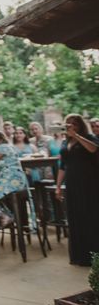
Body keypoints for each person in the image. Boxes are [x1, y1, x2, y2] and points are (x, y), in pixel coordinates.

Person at [55, 114, 99, 266]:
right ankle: (78, 255)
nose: (71, 126)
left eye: (74, 123)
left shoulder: (89, 137)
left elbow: (93, 149)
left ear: (80, 125)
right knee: (74, 216)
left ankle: (93, 256)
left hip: (89, 182)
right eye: (68, 123)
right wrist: (58, 186)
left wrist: (77, 136)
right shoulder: (65, 142)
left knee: (90, 216)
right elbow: (62, 166)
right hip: (72, 182)